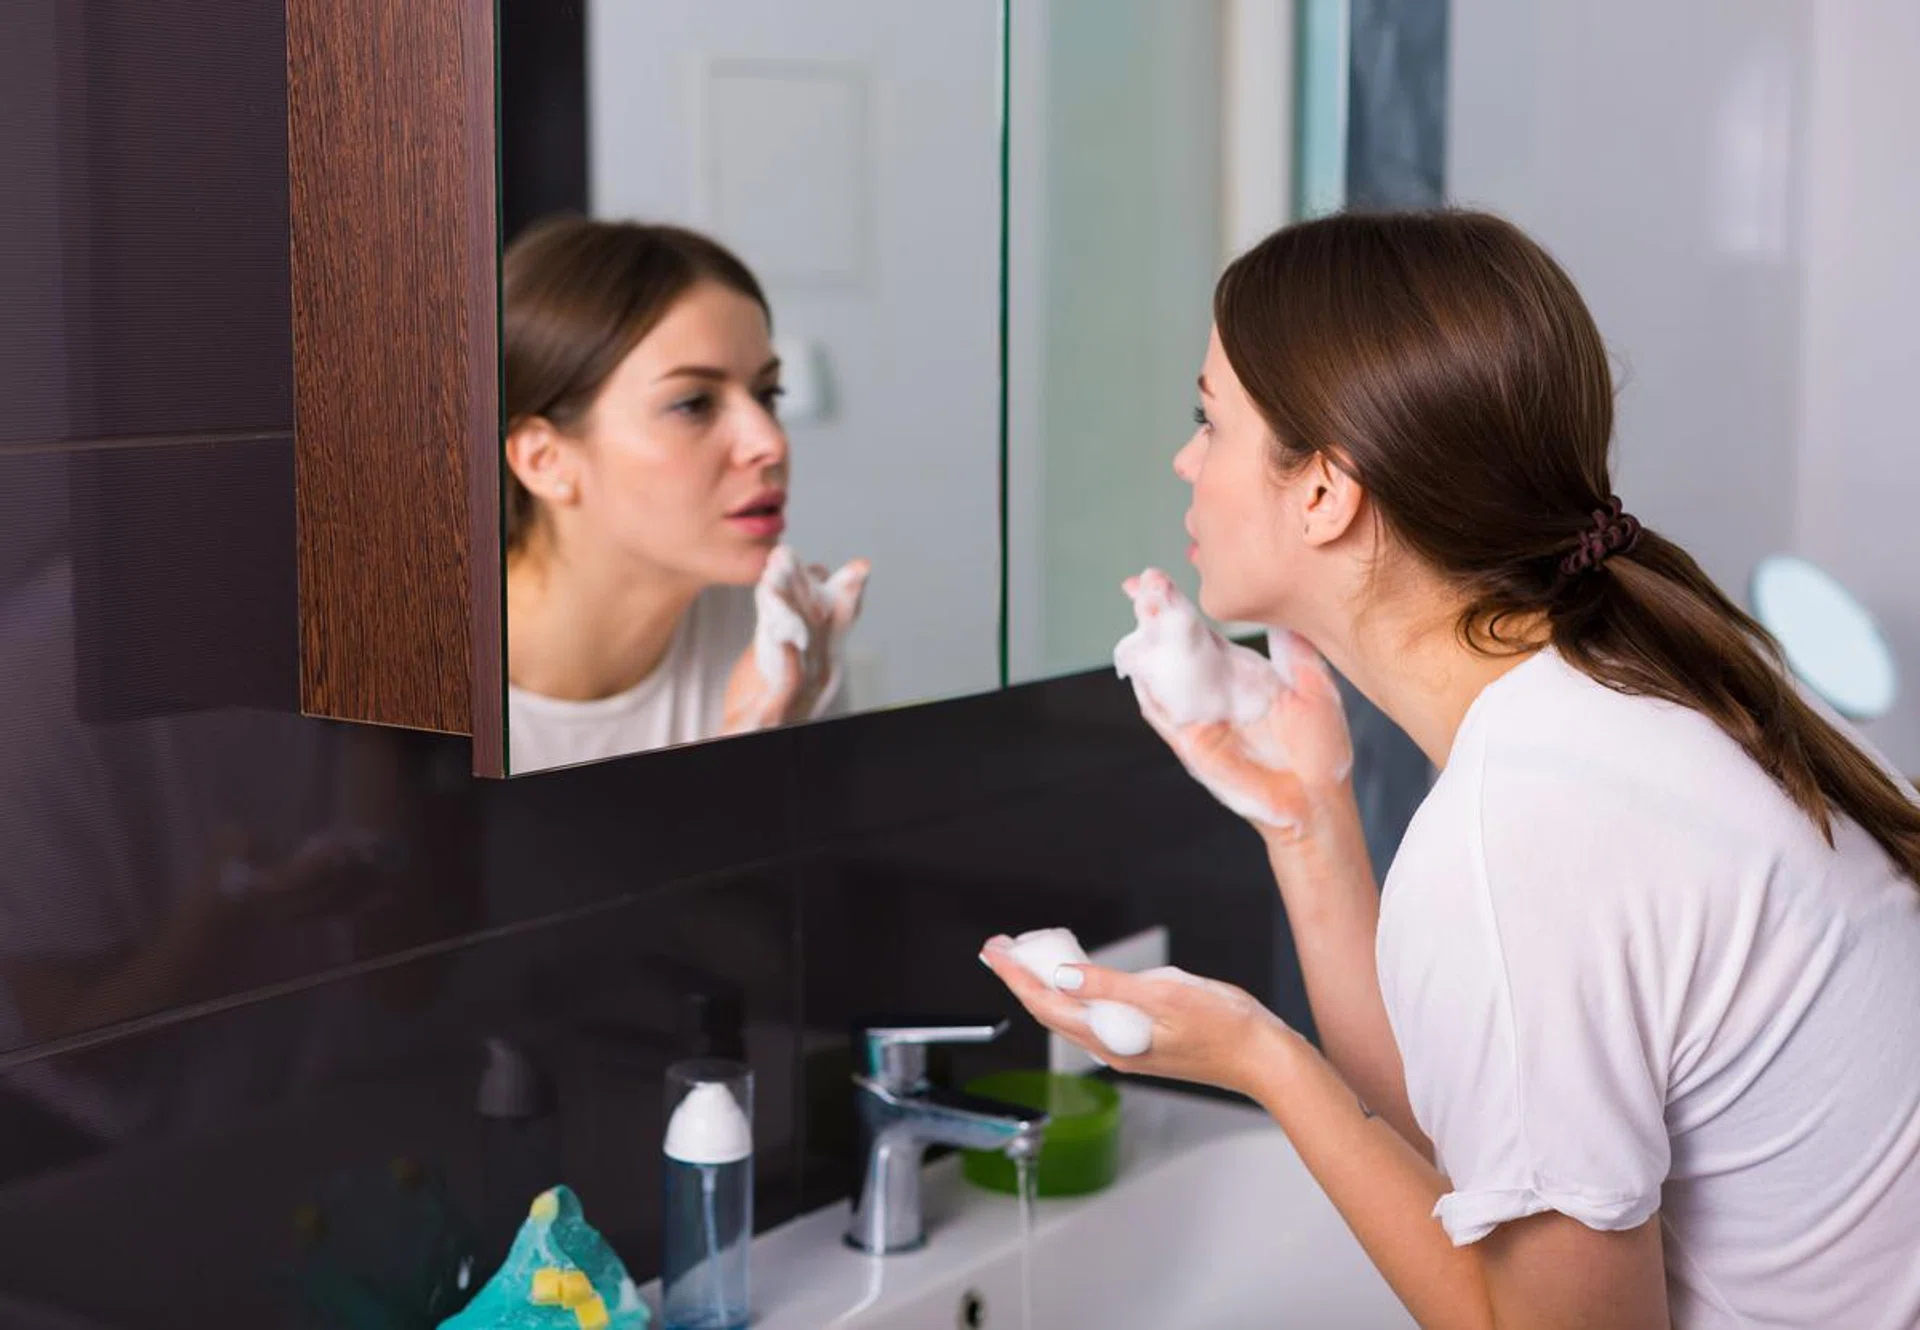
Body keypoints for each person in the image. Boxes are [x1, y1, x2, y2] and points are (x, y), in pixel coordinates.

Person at [984, 210, 1920, 1329]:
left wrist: (1268, 1063)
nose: (1185, 457)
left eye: (1208, 419)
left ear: (1325, 492)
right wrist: (1307, 818)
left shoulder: (1525, 825)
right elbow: (1483, 1138)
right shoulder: (1663, 684)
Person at [503, 217, 868, 774]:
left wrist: (771, 755)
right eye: (693, 403)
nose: (770, 442)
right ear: (543, 459)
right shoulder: (408, 681)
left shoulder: (775, 643)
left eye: (768, 393)